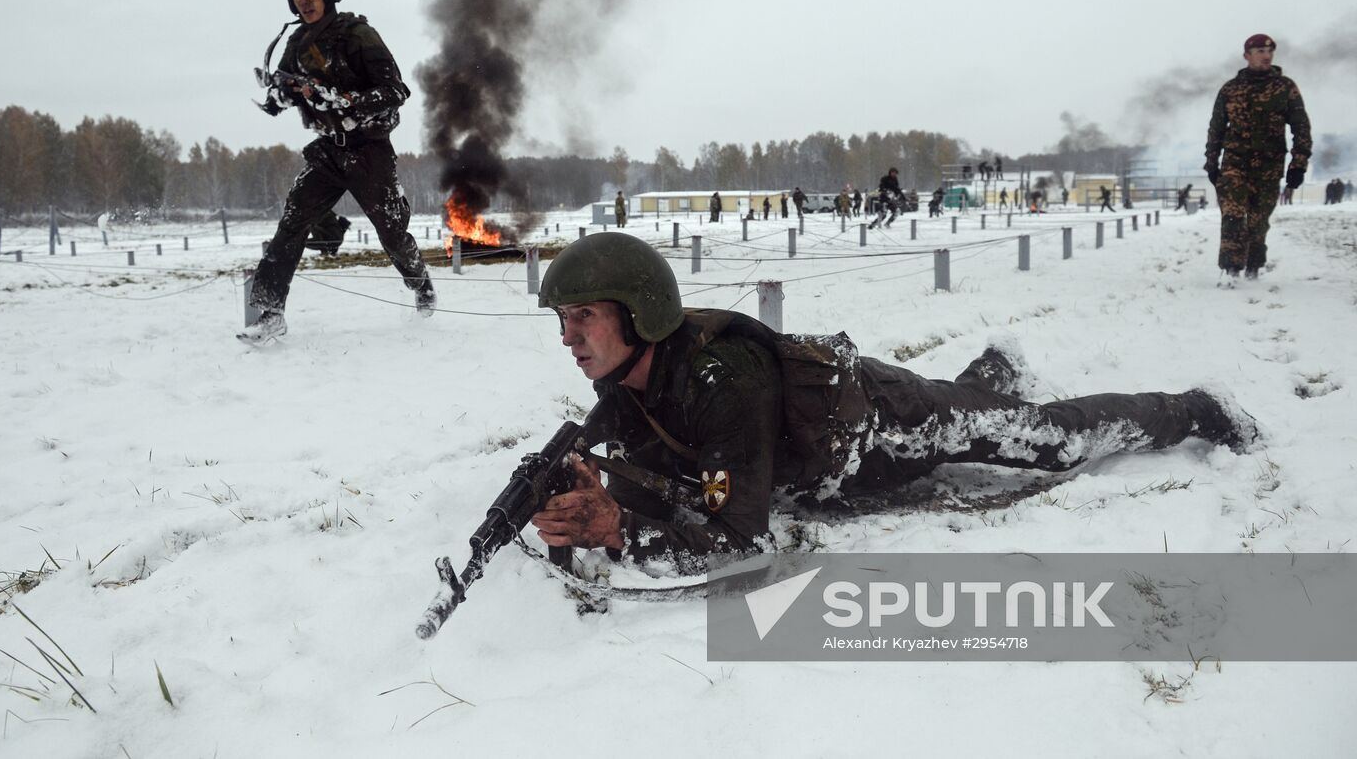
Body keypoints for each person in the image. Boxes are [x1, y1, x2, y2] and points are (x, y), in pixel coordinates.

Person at [529, 235, 1257, 565]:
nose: (569, 338)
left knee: (1045, 441)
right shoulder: (626, 383)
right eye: (563, 321)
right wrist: (600, 486)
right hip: (832, 439)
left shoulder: (723, 379)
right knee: (981, 403)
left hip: (884, 428)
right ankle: (994, 369)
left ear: (639, 312)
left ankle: (1192, 407)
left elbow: (741, 544)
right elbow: (656, 469)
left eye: (584, 316)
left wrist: (619, 528)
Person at [241, 0, 434, 342]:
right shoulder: (296, 44)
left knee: (392, 233)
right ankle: (270, 312)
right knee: (292, 224)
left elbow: (396, 92)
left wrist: (343, 100)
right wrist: (280, 93)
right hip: (328, 151)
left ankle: (422, 287)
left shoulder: (357, 34)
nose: (304, 1)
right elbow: (282, 97)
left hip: (369, 150)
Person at [1205, 33, 1313, 280]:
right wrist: (1212, 163)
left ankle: (1253, 267)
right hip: (1235, 162)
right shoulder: (1230, 90)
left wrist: (1298, 165)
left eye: (1270, 51)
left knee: (1258, 219)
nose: (1266, 56)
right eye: (1260, 51)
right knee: (1232, 213)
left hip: (1269, 165)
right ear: (1247, 56)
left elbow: (1301, 128)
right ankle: (1231, 269)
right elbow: (1216, 128)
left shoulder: (1285, 88)